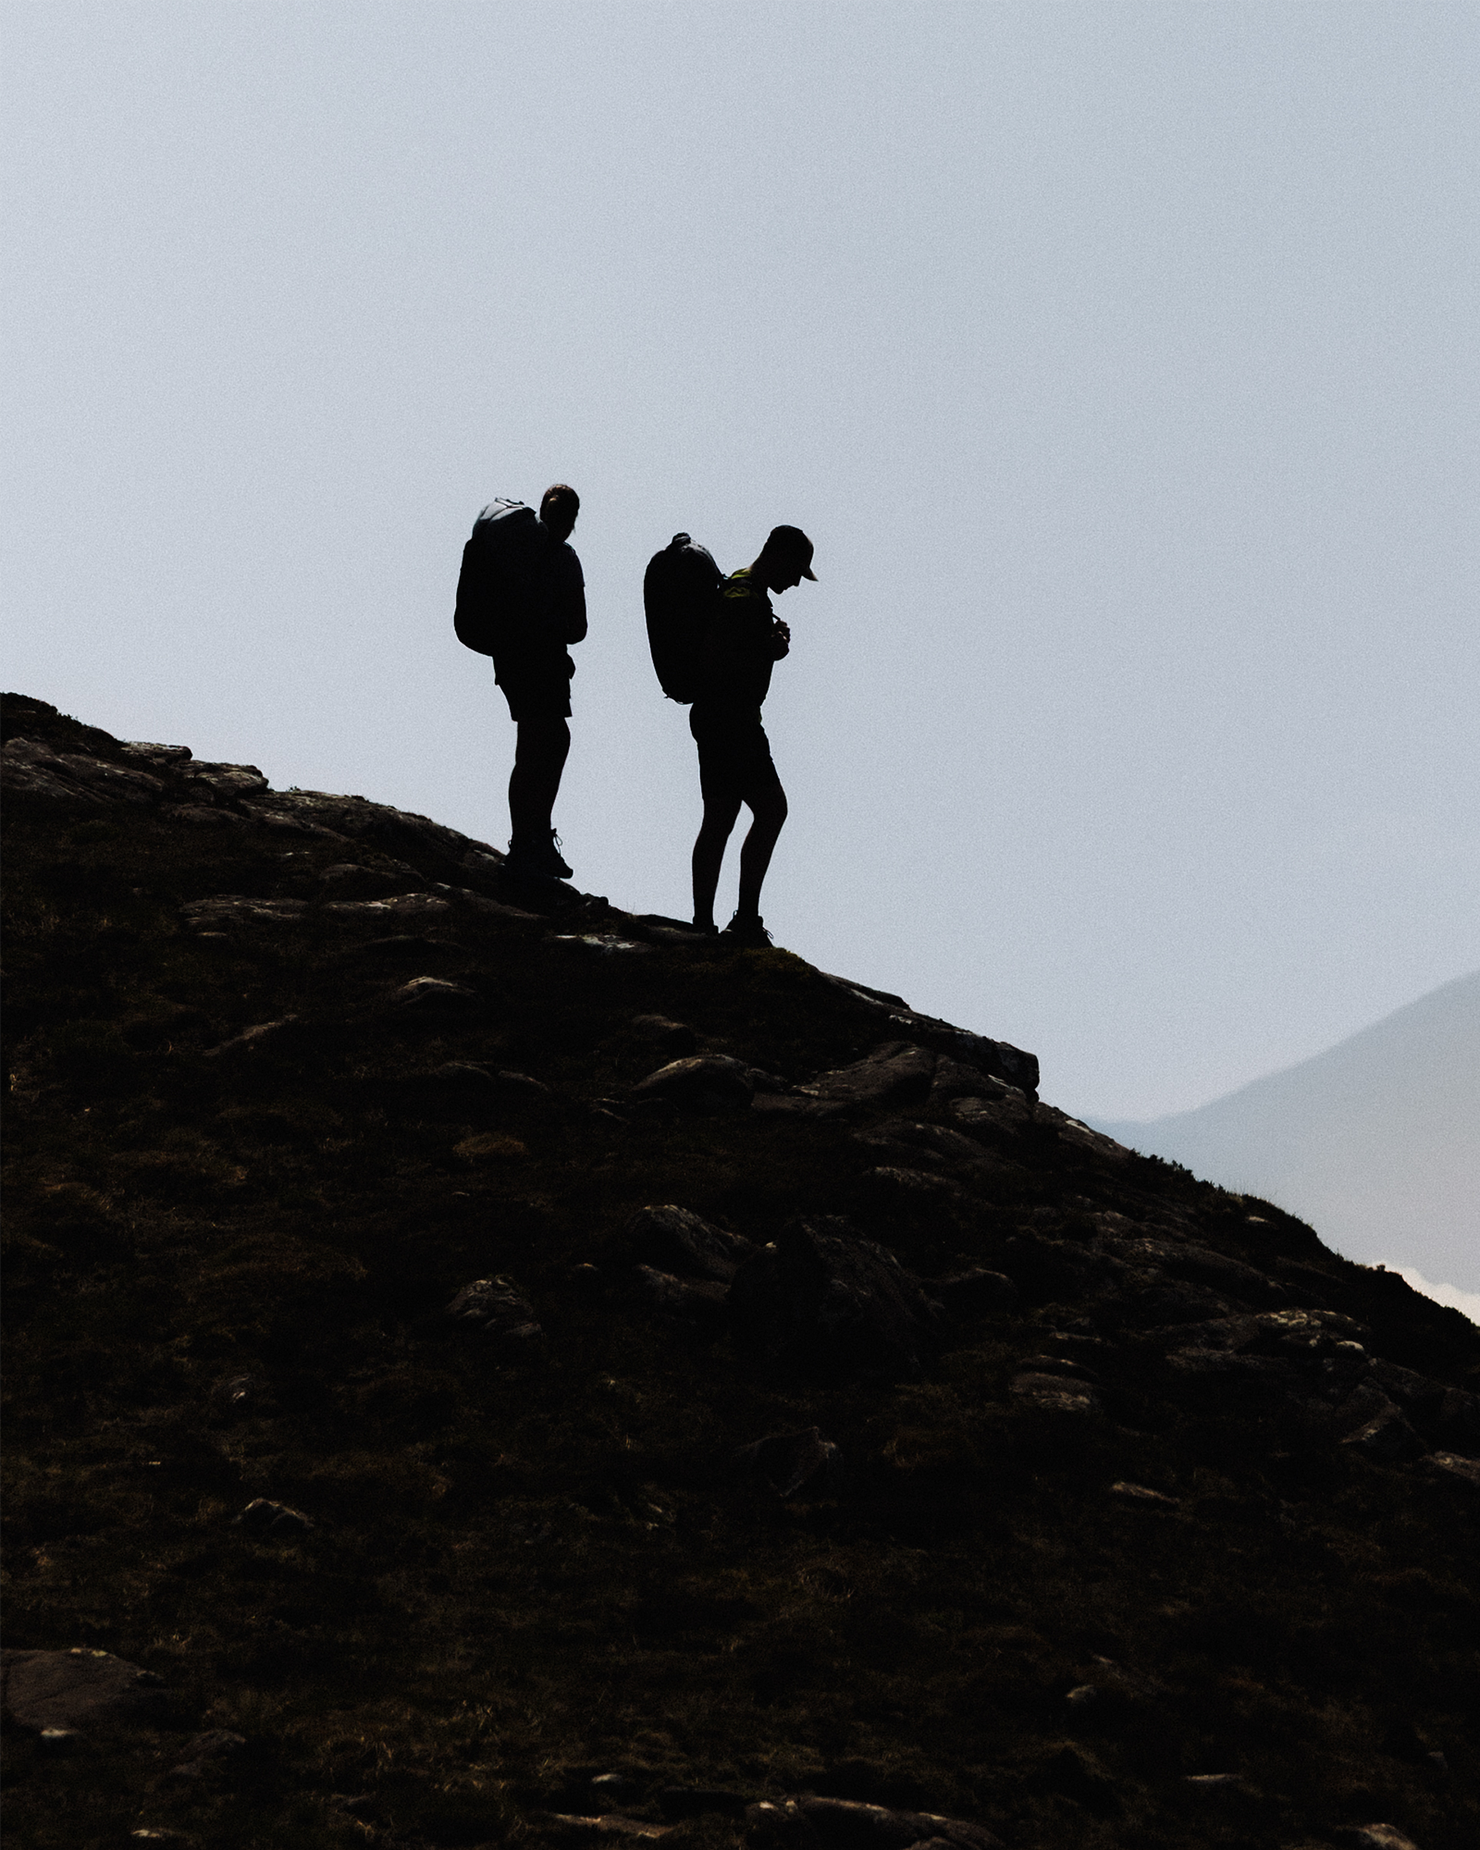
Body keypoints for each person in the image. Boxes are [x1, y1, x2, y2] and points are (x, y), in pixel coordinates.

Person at [689, 523, 816, 943]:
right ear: (777, 555)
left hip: (715, 720)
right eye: (797, 570)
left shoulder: (743, 592)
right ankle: (744, 920)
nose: (797, 580)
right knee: (771, 809)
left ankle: (704, 925)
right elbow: (724, 658)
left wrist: (767, 641)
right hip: (734, 722)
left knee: (721, 817)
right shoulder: (744, 598)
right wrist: (771, 648)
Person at [497, 484, 586, 879]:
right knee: (543, 745)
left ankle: (531, 838)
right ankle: (529, 841)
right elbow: (578, 627)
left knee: (537, 746)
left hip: (516, 662)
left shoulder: (518, 553)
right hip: (540, 665)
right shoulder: (562, 558)